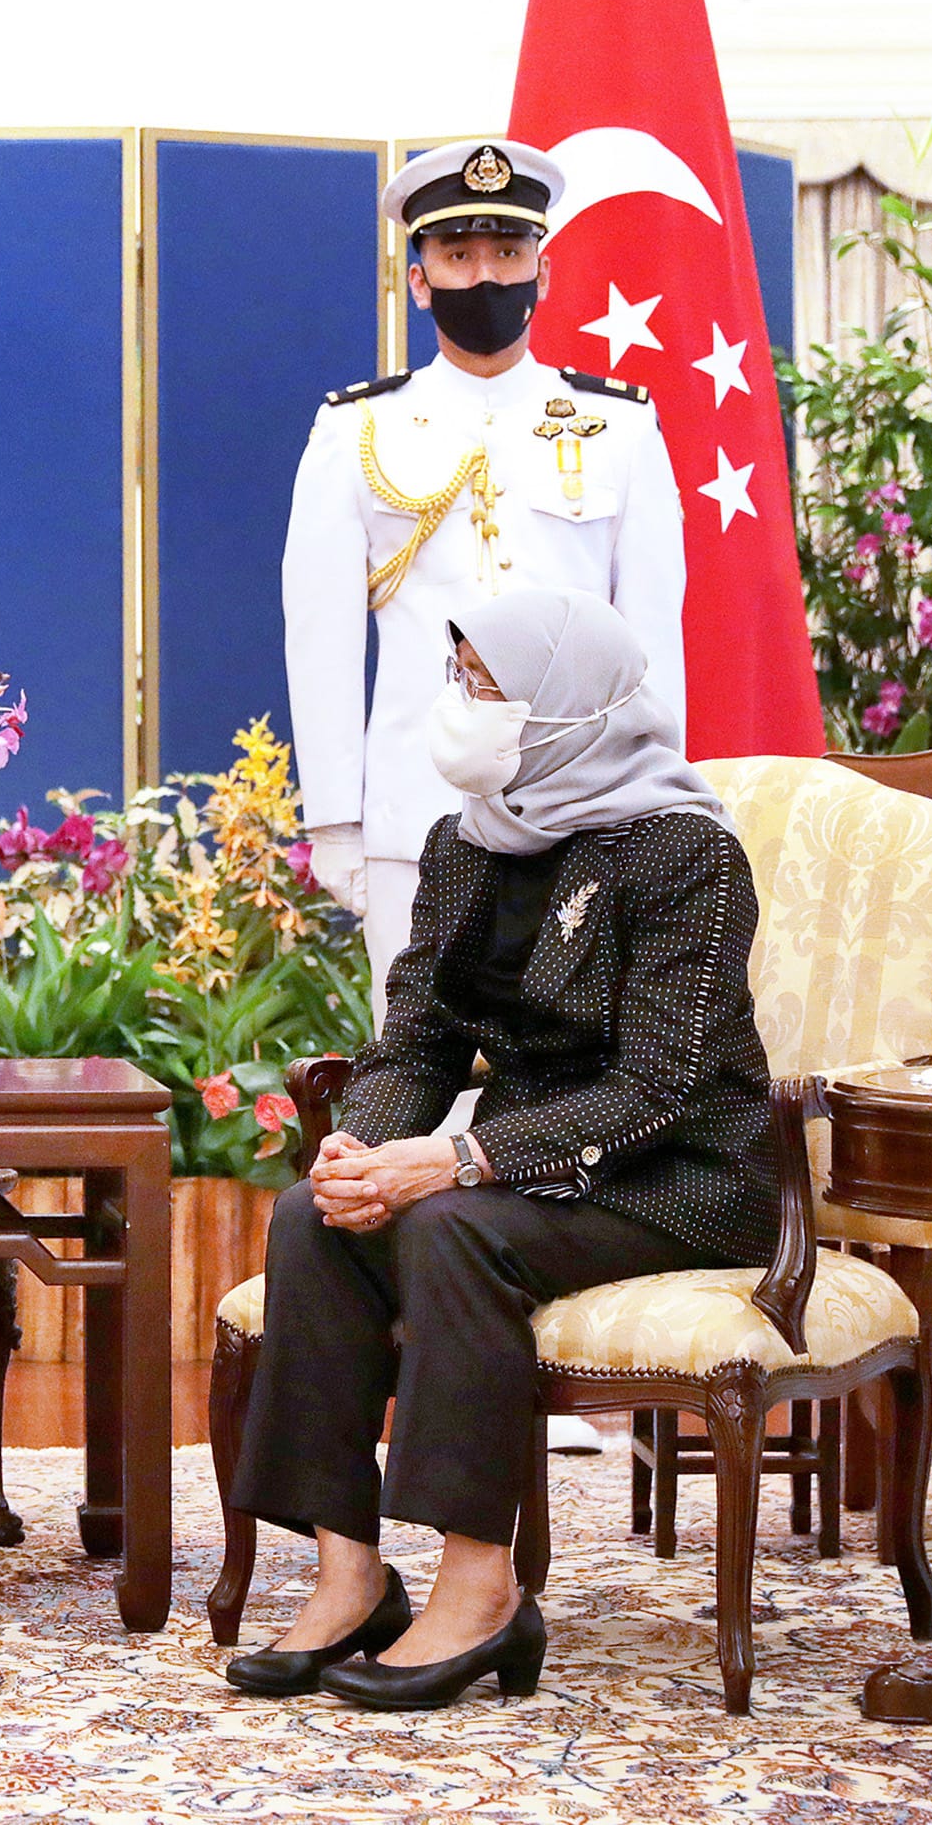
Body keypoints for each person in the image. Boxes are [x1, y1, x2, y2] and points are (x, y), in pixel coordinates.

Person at [225, 588, 773, 1711]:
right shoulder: (465, 845)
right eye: (461, 679)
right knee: (311, 1216)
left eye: (487, 685)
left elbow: (659, 1086)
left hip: (680, 1174)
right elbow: (417, 1039)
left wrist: (458, 1162)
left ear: (567, 703)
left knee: (456, 1227)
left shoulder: (685, 853)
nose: (462, 707)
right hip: (539, 1166)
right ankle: (351, 1574)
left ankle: (481, 1586)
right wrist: (362, 1147)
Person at [284, 138, 687, 1008]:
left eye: (508, 254)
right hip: (417, 808)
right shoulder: (356, 430)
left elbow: (653, 630)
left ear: (544, 270)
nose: (485, 279)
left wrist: (660, 797)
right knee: (422, 1069)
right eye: (458, 256)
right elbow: (319, 637)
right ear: (418, 279)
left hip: (592, 805)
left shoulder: (617, 426)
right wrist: (337, 823)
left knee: (574, 1074)